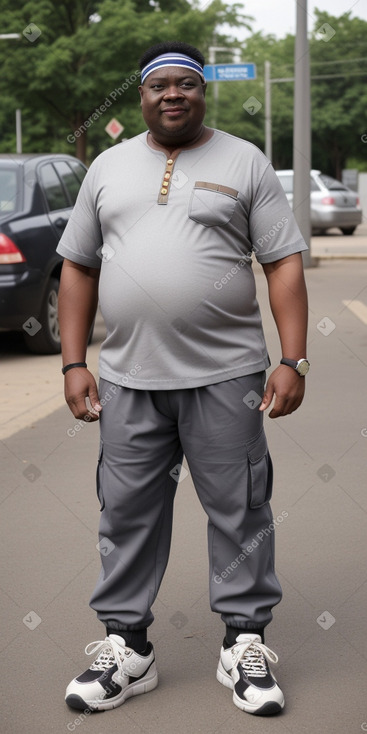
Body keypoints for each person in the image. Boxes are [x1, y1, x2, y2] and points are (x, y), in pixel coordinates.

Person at [57, 40, 309, 717]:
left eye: (186, 84)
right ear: (140, 95)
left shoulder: (243, 161)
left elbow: (281, 261)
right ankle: (126, 647)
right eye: (158, 85)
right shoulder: (107, 167)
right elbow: (77, 266)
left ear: (203, 92)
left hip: (227, 376)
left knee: (241, 510)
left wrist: (292, 359)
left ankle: (243, 643)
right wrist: (74, 361)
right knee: (127, 513)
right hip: (129, 380)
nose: (172, 94)